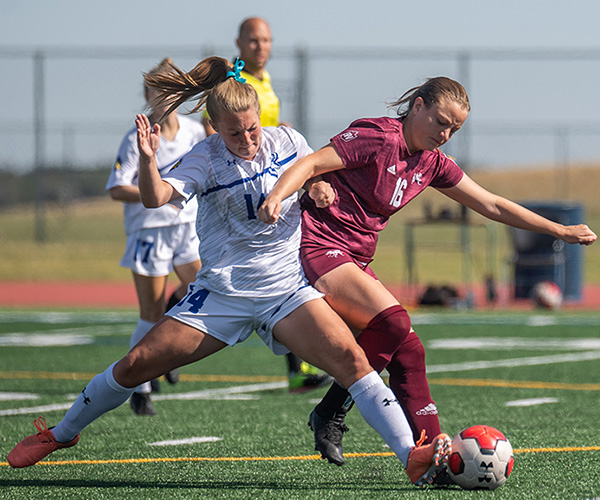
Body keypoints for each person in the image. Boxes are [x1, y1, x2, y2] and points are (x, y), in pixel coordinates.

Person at [6, 57, 453, 487]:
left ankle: (410, 456)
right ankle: (62, 433)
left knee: (353, 361)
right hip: (222, 294)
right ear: (215, 128)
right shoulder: (205, 158)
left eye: (253, 127)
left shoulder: (288, 141)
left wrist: (316, 188)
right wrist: (147, 159)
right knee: (135, 364)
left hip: (285, 290)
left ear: (262, 117)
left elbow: (315, 174)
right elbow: (154, 196)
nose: (247, 139)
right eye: (234, 132)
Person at [258, 76, 598, 469]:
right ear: (417, 106)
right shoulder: (379, 136)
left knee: (410, 352)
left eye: (455, 128)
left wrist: (560, 231)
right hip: (318, 247)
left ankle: (433, 457)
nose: (446, 134)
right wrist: (281, 196)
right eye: (441, 121)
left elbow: (492, 205)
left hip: (355, 259)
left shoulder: (432, 163)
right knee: (394, 321)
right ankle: (332, 411)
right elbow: (314, 161)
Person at [204, 16, 329, 393]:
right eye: (254, 40)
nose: (261, 46)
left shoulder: (266, 82)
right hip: (246, 190)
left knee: (288, 271)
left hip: (275, 183)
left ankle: (298, 367)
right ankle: (171, 329)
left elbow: (266, 129)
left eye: (267, 40)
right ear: (239, 43)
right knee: (226, 276)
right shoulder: (237, 83)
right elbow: (217, 127)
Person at [106, 58, 207, 416]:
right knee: (149, 313)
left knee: (202, 289)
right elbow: (118, 187)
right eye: (156, 90)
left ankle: (165, 349)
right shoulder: (139, 135)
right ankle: (141, 388)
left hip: (186, 228)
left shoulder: (195, 131)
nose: (163, 96)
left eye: (171, 89)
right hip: (150, 231)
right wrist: (156, 190)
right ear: (148, 95)